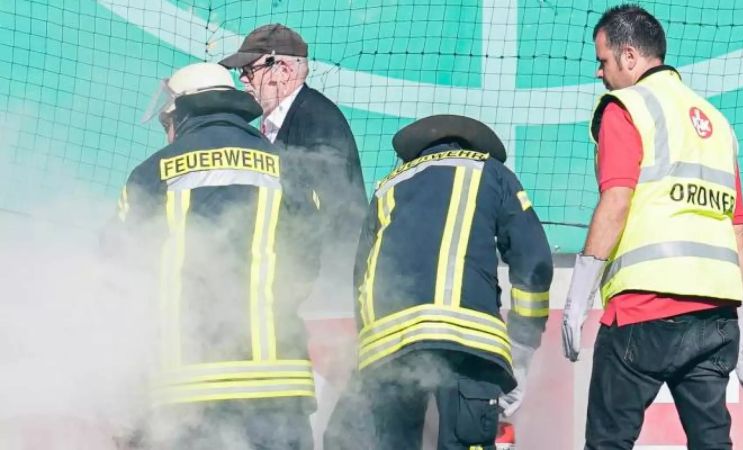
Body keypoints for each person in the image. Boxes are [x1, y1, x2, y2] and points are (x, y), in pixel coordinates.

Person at [561, 5, 743, 449]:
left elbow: (616, 201)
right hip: (715, 321)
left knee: (608, 443)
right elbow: (737, 231)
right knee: (712, 442)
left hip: (644, 312)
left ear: (628, 56)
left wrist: (578, 293)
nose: (600, 74)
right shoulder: (717, 124)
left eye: (602, 61)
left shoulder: (627, 108)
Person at [117, 62, 321, 449]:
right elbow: (309, 258)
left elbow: (120, 270)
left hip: (184, 387)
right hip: (278, 381)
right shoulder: (290, 169)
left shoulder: (150, 174)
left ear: (181, 114)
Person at [351, 115, 553, 449]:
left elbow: (360, 276)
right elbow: (533, 262)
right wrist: (523, 347)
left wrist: (369, 345)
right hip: (466, 341)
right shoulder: (490, 171)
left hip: (386, 349)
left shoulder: (387, 185)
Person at [219, 23, 367, 260]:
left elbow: (337, 211)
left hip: (320, 275)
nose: (243, 80)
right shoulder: (280, 116)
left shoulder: (317, 120)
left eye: (249, 70)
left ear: (284, 71)